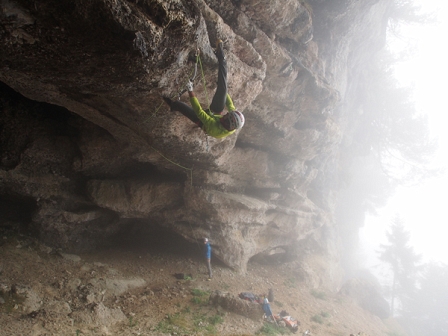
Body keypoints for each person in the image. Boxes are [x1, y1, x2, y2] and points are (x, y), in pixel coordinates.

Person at [163, 40, 245, 139]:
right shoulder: (233, 119)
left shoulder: (214, 129)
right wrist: (221, 88)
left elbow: (200, 112)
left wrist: (190, 91)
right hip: (215, 113)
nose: (226, 114)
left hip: (203, 122)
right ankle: (221, 57)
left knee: (179, 105)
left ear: (228, 124)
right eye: (228, 114)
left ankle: (170, 103)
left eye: (226, 117)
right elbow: (230, 104)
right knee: (223, 89)